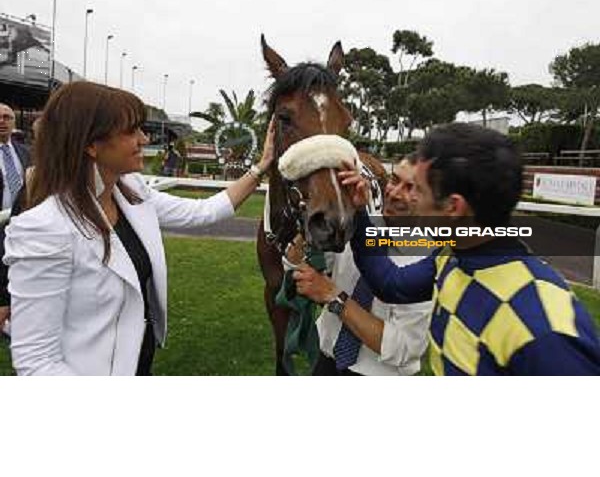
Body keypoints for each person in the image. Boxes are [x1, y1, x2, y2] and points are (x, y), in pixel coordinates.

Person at [2, 82, 275, 376]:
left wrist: (261, 167)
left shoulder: (132, 192)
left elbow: (202, 212)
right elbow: (37, 362)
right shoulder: (44, 228)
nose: (144, 139)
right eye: (131, 131)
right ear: (91, 144)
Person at [337, 123, 600, 375]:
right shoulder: (450, 259)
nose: (405, 197)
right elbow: (389, 283)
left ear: (454, 207)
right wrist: (360, 212)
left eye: (418, 189)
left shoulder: (548, 328)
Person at [294, 154, 433, 375]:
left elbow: (405, 349)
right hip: (325, 362)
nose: (395, 193)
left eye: (412, 189)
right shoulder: (362, 228)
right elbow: (315, 266)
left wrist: (334, 297)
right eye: (395, 180)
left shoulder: (429, 265)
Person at [0, 103, 31, 336]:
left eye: (7, 117)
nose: (2, 121)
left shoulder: (24, 152)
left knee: (19, 269)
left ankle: (16, 312)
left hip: (22, 224)